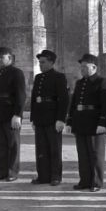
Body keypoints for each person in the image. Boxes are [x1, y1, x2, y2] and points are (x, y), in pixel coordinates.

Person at [67, 53, 106, 192]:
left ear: (94, 67)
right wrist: (70, 121)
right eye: (81, 67)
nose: (82, 69)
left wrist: (103, 123)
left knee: (95, 154)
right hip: (80, 122)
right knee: (83, 154)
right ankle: (85, 181)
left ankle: (96, 182)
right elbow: (73, 104)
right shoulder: (80, 83)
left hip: (94, 123)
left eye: (85, 67)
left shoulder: (102, 82)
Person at [30, 49, 69, 186]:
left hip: (53, 118)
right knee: (41, 149)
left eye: (43, 62)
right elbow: (34, 99)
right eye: (39, 62)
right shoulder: (38, 78)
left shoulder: (59, 77)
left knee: (54, 148)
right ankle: (43, 176)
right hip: (40, 118)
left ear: (51, 62)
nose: (40, 65)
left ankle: (55, 176)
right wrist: (33, 118)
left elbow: (64, 99)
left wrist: (61, 119)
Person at [0, 47, 26, 182]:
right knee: (0, 144)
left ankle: (12, 172)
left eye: (2, 57)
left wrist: (17, 114)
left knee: (13, 144)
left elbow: (21, 95)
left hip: (10, 114)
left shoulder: (17, 73)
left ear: (10, 58)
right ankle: (2, 171)